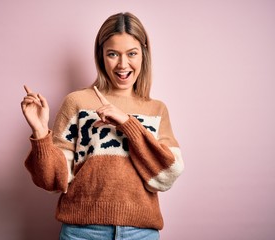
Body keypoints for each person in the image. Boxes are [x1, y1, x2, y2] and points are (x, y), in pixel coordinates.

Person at [21, 12, 184, 240]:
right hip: (82, 232)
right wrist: (40, 133)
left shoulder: (156, 110)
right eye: (113, 54)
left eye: (132, 54)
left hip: (141, 233)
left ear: (143, 55)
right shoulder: (77, 102)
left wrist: (128, 124)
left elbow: (166, 176)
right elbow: (52, 181)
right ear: (101, 56)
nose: (122, 64)